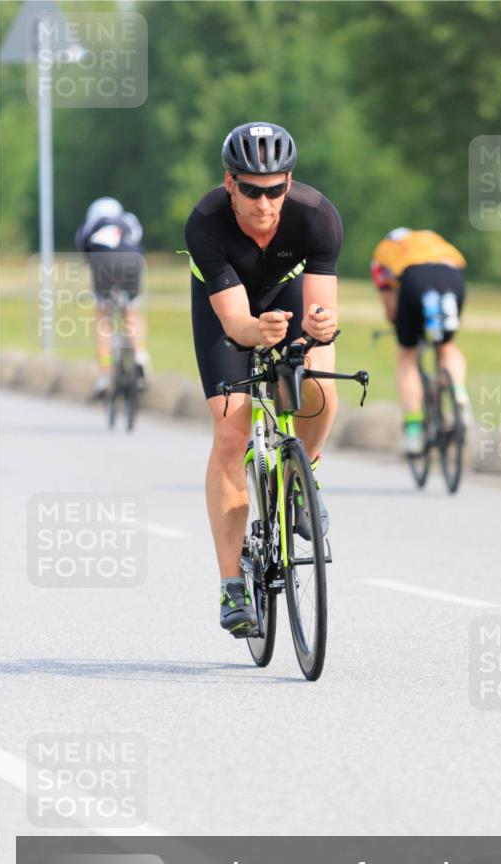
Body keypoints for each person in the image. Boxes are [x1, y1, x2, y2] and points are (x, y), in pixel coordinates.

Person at [184, 121, 343, 637]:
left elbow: (324, 311)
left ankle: (304, 475)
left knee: (319, 384)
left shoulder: (317, 217)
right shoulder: (206, 223)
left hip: (286, 295)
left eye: (276, 188)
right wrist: (257, 331)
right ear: (230, 183)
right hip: (227, 310)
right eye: (251, 190)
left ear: (289, 181)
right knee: (231, 426)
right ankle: (233, 582)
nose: (264, 201)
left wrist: (320, 326)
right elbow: (234, 323)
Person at [370, 227, 470, 455]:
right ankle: (459, 394)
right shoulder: (431, 237)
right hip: (452, 276)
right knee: (446, 346)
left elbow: (391, 309)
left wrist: (404, 329)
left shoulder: (382, 253)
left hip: (415, 278)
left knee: (407, 355)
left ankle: (413, 429)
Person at [75, 197, 149, 398]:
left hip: (102, 264)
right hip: (132, 261)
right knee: (132, 312)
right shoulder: (129, 219)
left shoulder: (90, 224)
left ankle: (104, 374)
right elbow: (137, 241)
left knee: (102, 316)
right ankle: (140, 356)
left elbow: (85, 254)